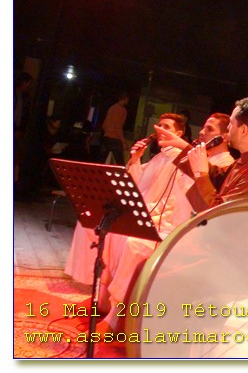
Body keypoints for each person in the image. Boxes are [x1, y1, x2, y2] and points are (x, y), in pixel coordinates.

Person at [99, 113, 236, 333]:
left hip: (193, 233)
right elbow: (168, 197)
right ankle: (107, 301)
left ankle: (118, 316)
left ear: (225, 136)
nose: (202, 132)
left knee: (135, 244)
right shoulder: (197, 158)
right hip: (171, 221)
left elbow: (207, 206)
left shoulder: (225, 165)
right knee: (118, 229)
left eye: (210, 129)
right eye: (203, 128)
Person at [63, 113, 186, 287]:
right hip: (140, 209)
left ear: (179, 134)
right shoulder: (159, 157)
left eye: (167, 127)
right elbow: (137, 183)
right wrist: (135, 158)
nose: (160, 130)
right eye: (159, 126)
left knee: (122, 236)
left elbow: (171, 200)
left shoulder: (180, 159)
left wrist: (144, 211)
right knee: (89, 223)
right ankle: (94, 279)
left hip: (155, 216)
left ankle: (108, 284)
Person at [155, 97, 248, 209]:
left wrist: (200, 174)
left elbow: (221, 214)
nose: (228, 128)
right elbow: (216, 176)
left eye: (231, 124)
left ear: (244, 130)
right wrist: (182, 145)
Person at [99, 92, 129, 165]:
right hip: (115, 139)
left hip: (106, 137)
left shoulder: (111, 108)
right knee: (120, 163)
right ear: (125, 99)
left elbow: (104, 125)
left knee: (101, 162)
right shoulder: (123, 110)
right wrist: (123, 142)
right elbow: (118, 126)